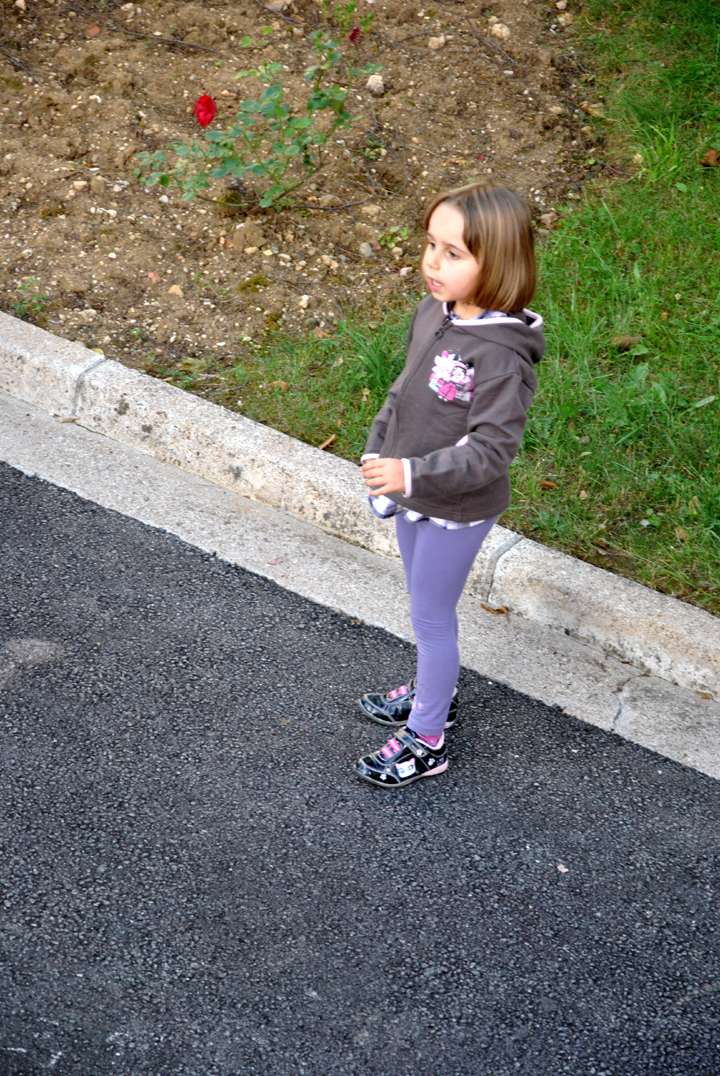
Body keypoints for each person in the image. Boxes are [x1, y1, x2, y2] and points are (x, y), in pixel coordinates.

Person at [355, 181, 545, 788]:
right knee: (421, 603)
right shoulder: (433, 315)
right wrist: (380, 449)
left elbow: (491, 451)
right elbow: (402, 392)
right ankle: (432, 694)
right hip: (413, 490)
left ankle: (428, 737)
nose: (433, 263)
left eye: (453, 253)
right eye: (430, 245)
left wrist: (409, 471)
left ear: (500, 264)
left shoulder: (500, 357)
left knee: (432, 618)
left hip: (456, 505)